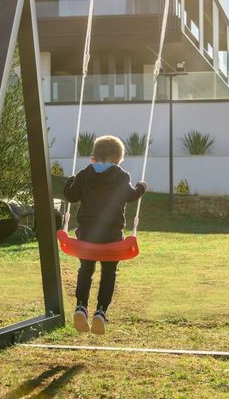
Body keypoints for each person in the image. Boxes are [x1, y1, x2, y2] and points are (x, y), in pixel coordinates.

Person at [63, 135, 147, 334]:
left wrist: (69, 182)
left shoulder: (84, 174)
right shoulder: (121, 176)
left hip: (87, 235)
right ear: (118, 160)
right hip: (111, 236)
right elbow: (130, 196)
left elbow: (71, 196)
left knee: (86, 268)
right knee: (109, 272)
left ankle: (81, 306)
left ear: (93, 158)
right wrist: (142, 187)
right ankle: (101, 312)